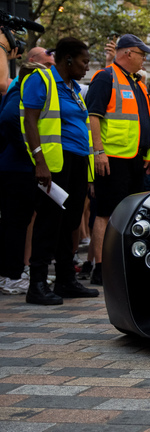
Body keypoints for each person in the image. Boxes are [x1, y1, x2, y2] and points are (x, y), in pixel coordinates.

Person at [21, 37, 98, 305]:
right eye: (84, 61)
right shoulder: (41, 80)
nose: (86, 67)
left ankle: (66, 280)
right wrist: (39, 161)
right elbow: (29, 120)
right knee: (48, 222)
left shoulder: (74, 89)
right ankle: (38, 284)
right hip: (55, 164)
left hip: (77, 163)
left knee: (71, 223)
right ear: (67, 59)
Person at [86, 34, 150, 286]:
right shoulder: (105, 77)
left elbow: (143, 122)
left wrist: (148, 155)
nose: (144, 59)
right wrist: (99, 151)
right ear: (127, 54)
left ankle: (124, 263)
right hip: (112, 158)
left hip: (134, 159)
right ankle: (101, 268)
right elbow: (93, 116)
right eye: (141, 54)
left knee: (130, 214)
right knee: (105, 213)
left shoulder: (137, 83)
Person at [0, 63, 43, 295]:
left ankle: (10, 273)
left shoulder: (15, 94)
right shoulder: (19, 96)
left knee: (12, 222)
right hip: (17, 170)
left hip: (13, 167)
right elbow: (8, 120)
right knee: (15, 223)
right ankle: (12, 275)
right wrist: (28, 151)